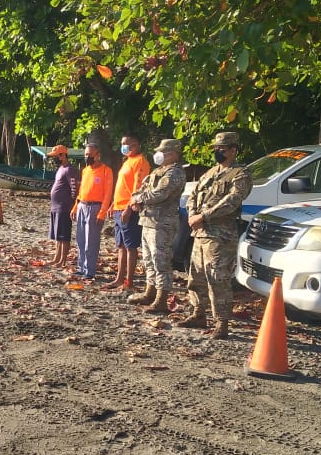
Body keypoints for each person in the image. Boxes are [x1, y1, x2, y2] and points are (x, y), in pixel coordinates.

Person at [178, 132, 253, 338]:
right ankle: (198, 313)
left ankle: (221, 322)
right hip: (200, 233)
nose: (217, 152)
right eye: (216, 148)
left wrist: (204, 216)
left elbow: (232, 201)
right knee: (196, 276)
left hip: (220, 235)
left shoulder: (240, 174)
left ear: (233, 150)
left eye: (222, 148)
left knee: (218, 279)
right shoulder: (210, 173)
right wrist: (193, 214)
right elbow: (193, 195)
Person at [126, 139, 187, 313]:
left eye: (163, 151)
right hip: (148, 220)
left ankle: (161, 300)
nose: (158, 154)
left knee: (161, 261)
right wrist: (135, 200)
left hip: (163, 223)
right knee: (148, 260)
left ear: (173, 153)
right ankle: (150, 292)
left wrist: (139, 199)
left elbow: (160, 193)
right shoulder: (158, 171)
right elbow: (141, 189)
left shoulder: (175, 173)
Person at [102, 134, 150, 291]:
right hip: (118, 208)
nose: (123, 147)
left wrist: (129, 208)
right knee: (120, 245)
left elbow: (138, 188)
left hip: (129, 209)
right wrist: (113, 205)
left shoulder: (140, 162)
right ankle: (119, 279)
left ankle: (129, 281)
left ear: (135, 144)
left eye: (125, 144)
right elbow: (122, 186)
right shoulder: (127, 161)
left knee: (130, 246)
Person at [70, 143, 113, 280]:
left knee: (91, 241)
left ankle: (90, 271)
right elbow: (81, 191)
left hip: (95, 208)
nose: (87, 157)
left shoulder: (106, 170)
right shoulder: (85, 170)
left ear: (97, 155)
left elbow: (108, 194)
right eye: (86, 154)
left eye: (90, 154)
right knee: (81, 239)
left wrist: (102, 213)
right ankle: (81, 267)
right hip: (82, 205)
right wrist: (75, 207)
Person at [44, 144, 79, 268]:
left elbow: (74, 188)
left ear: (62, 155)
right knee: (57, 235)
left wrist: (72, 204)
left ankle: (62, 260)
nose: (53, 159)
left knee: (64, 236)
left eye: (55, 156)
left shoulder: (69, 169)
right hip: (55, 206)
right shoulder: (60, 169)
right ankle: (56, 257)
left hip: (64, 207)